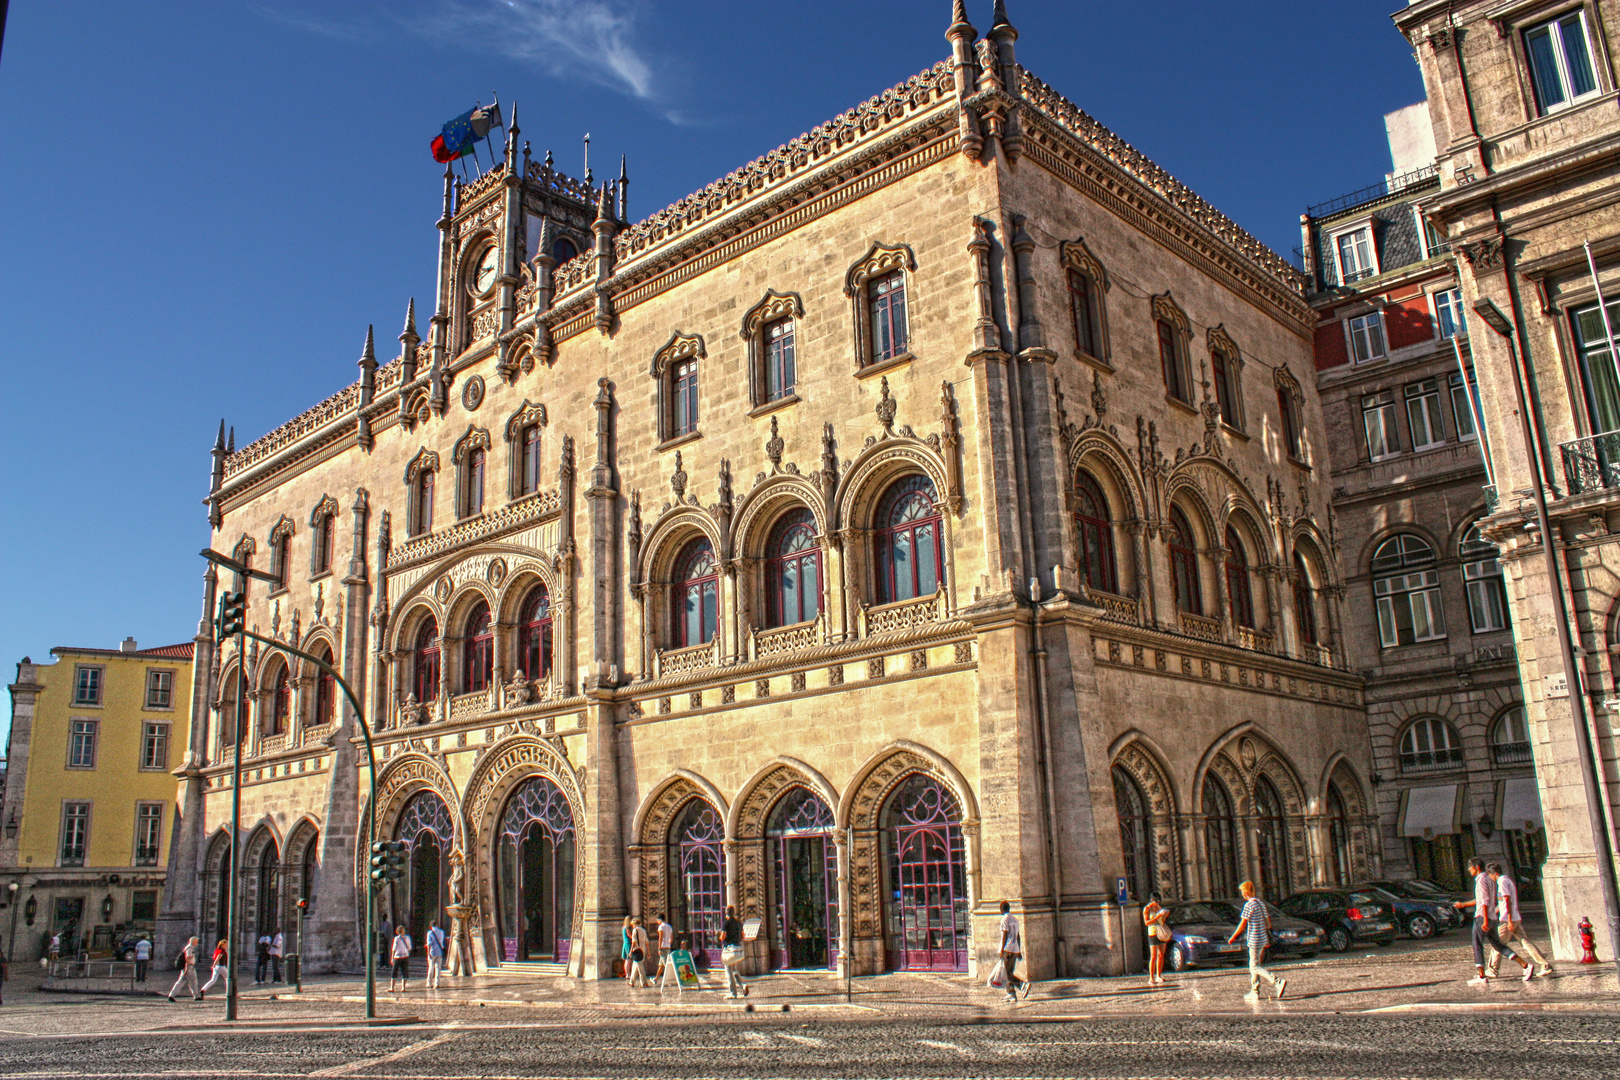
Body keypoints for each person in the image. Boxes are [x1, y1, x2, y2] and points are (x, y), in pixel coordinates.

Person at [1455, 856, 1529, 985]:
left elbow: (1484, 901)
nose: (1468, 870)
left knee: (1477, 944)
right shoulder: (1489, 880)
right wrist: (1464, 904)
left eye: (1470, 867)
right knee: (1498, 945)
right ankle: (1525, 965)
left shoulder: (1481, 880)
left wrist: (1484, 921)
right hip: (1492, 917)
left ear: (1476, 867)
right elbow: (1481, 900)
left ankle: (1482, 975)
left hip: (1483, 917)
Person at [1484, 861, 1549, 980]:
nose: (1490, 878)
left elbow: (1507, 900)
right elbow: (1503, 903)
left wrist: (1508, 920)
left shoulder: (1502, 882)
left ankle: (1493, 969)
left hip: (1507, 919)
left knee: (1497, 944)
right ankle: (1544, 964)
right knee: (1525, 942)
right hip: (1514, 917)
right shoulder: (1507, 880)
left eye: (1489, 875)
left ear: (1494, 873)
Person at [1228, 881, 1285, 1001]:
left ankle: (1277, 981)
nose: (1242, 895)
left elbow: (1243, 923)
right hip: (1262, 938)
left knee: (1254, 966)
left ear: (1246, 892)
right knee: (1254, 964)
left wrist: (1233, 936)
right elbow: (1268, 923)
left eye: (1242, 892)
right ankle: (1255, 991)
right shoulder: (1261, 903)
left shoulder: (1249, 905)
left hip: (1254, 939)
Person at [998, 900, 1027, 1003]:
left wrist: (1002, 950)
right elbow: (1018, 936)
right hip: (1014, 949)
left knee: (1006, 973)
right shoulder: (1015, 920)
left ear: (1002, 909)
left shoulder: (1004, 919)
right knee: (1008, 972)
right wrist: (1018, 951)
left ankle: (1022, 984)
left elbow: (1005, 935)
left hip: (1008, 949)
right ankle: (1011, 994)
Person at [720, 905, 749, 999]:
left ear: (726, 913)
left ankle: (733, 993)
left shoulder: (726, 923)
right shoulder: (739, 923)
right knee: (733, 970)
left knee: (728, 971)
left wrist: (719, 936)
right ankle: (743, 985)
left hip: (729, 950)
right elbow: (743, 936)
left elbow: (722, 937)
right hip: (738, 950)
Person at [1143, 891, 1171, 987]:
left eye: (1158, 901)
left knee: (1160, 955)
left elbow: (1162, 921)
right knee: (1153, 955)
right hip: (1152, 932)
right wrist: (1157, 916)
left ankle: (1158, 975)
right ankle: (1151, 977)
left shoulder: (1159, 908)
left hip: (1161, 932)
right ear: (1151, 900)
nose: (1157, 903)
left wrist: (1164, 915)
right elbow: (1146, 923)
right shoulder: (1147, 909)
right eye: (1156, 901)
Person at [168, 936, 201, 1002]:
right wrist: (186, 967)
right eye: (196, 941)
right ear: (194, 941)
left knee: (181, 982)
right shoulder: (190, 948)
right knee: (193, 982)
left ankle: (171, 996)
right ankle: (196, 996)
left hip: (187, 967)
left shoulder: (189, 947)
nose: (197, 943)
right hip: (189, 967)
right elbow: (188, 957)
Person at [628, 917, 652, 987]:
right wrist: (648, 952)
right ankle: (631, 981)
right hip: (642, 950)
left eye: (632, 925)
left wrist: (630, 951)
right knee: (635, 966)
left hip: (636, 950)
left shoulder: (635, 930)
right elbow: (647, 942)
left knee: (640, 967)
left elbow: (634, 941)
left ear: (635, 924)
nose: (632, 926)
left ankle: (644, 983)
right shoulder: (643, 930)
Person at [388, 925, 413, 992]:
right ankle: (403, 988)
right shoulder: (408, 938)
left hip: (397, 957)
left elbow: (394, 949)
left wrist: (392, 958)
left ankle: (392, 987)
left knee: (394, 972)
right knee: (404, 972)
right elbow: (410, 948)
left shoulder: (397, 938)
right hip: (405, 956)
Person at [426, 921, 447, 989]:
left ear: (431, 926)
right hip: (439, 951)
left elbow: (429, 943)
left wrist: (428, 952)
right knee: (438, 968)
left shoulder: (430, 933)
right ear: (437, 925)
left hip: (432, 952)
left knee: (431, 967)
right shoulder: (442, 932)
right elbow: (442, 940)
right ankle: (437, 983)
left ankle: (429, 983)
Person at [655, 914, 674, 982]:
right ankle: (656, 979)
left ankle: (674, 976)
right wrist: (668, 943)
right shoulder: (669, 927)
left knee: (666, 963)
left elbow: (660, 937)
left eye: (657, 920)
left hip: (663, 947)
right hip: (668, 947)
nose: (657, 922)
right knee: (661, 964)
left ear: (660, 919)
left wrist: (659, 947)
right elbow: (671, 938)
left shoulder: (661, 927)